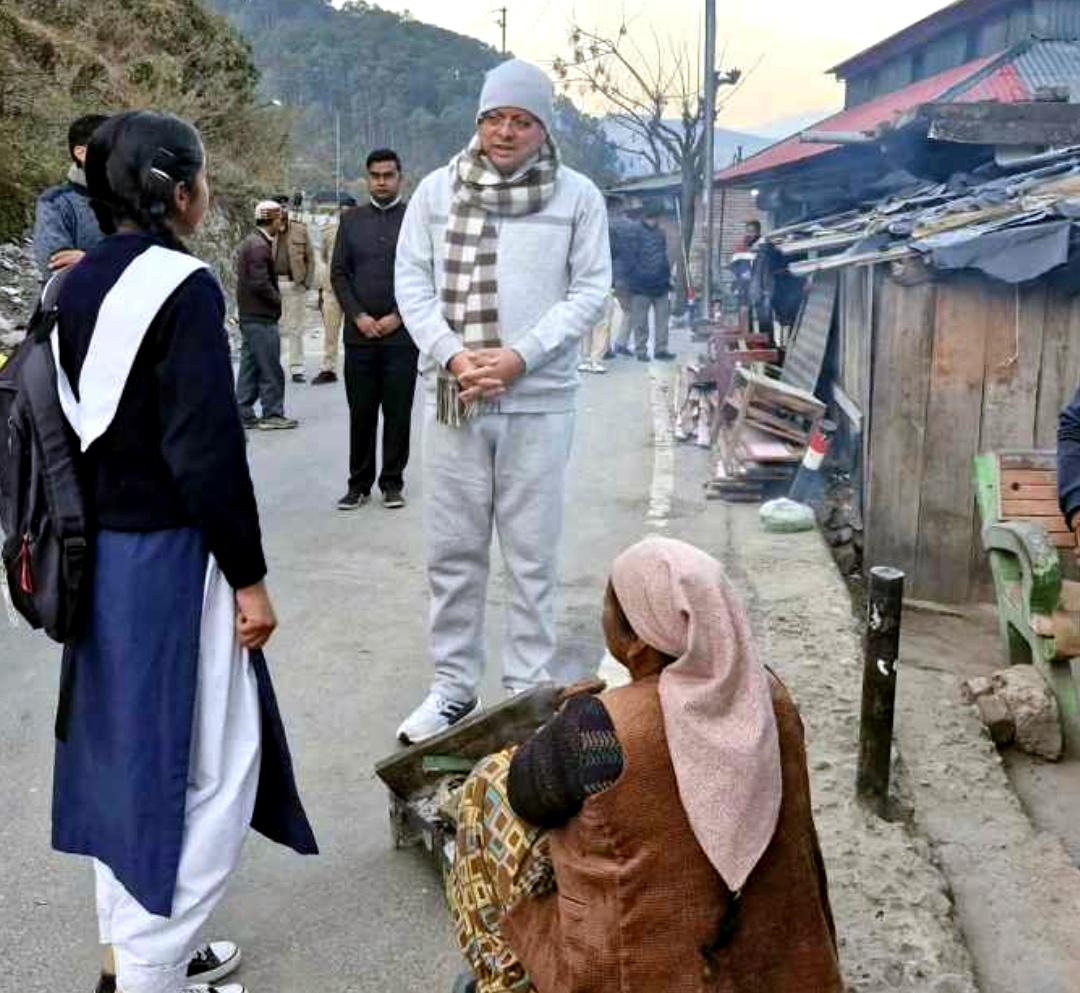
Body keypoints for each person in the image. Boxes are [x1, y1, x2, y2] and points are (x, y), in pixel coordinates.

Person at [52, 110, 316, 993]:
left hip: (98, 566)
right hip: (173, 564)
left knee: (126, 761)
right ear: (179, 192)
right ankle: (155, 972)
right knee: (215, 769)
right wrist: (251, 580)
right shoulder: (184, 287)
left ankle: (122, 956)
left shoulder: (72, 285)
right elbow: (207, 454)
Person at [446, 536, 843, 993]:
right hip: (782, 963)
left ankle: (503, 978)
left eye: (609, 610)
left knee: (486, 785)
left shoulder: (598, 727)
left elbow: (525, 792)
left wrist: (564, 723)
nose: (603, 619)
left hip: (638, 970)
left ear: (637, 641)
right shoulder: (770, 694)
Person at [395, 59, 610, 743]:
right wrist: (456, 355)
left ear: (543, 129)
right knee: (452, 553)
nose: (506, 132)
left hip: (539, 401)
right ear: (479, 122)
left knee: (530, 554)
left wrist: (521, 357)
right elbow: (414, 283)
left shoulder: (577, 197)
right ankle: (453, 687)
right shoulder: (436, 192)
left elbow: (589, 291)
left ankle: (525, 691)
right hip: (456, 395)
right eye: (494, 118)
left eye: (521, 120)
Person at [330, 150, 416, 510]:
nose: (382, 181)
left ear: (400, 177)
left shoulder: (415, 219)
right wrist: (358, 316)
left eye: (388, 175)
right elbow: (339, 273)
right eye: (375, 175)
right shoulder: (351, 221)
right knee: (361, 412)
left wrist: (400, 315)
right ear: (367, 178)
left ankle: (392, 483)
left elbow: (427, 273)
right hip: (359, 336)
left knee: (398, 412)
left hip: (401, 336)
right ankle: (358, 484)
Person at [235, 201, 298, 430]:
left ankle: (242, 412)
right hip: (260, 317)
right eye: (280, 219)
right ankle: (272, 413)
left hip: (251, 316)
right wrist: (277, 300)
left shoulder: (253, 242)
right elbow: (259, 283)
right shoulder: (259, 247)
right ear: (273, 220)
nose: (282, 223)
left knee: (250, 367)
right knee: (270, 367)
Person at [32, 113, 110, 279]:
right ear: (81, 153)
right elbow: (55, 265)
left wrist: (88, 259)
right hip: (72, 302)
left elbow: (155, 262)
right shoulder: (55, 202)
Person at [312, 195, 357, 386]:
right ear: (339, 211)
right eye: (343, 210)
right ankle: (329, 368)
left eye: (349, 210)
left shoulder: (361, 232)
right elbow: (323, 257)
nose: (345, 213)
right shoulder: (330, 231)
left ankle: (355, 369)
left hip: (355, 290)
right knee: (330, 333)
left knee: (355, 333)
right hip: (332, 290)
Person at [273, 195, 315, 383]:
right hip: (272, 285)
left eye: (284, 206)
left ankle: (297, 368)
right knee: (274, 328)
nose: (282, 210)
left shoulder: (300, 229)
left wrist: (306, 283)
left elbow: (311, 258)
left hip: (294, 285)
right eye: (278, 207)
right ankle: (273, 367)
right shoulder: (265, 230)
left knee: (295, 328)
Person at [628, 198, 674, 362]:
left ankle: (661, 349)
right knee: (640, 321)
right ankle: (641, 350)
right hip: (641, 285)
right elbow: (630, 258)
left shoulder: (661, 233)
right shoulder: (634, 231)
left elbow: (663, 257)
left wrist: (668, 278)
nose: (656, 219)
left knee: (662, 320)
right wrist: (637, 276)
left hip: (661, 284)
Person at [605, 196, 638, 358]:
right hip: (626, 275)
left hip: (603, 275)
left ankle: (603, 348)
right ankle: (621, 343)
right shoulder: (632, 226)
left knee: (604, 314)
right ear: (620, 207)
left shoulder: (600, 225)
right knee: (630, 310)